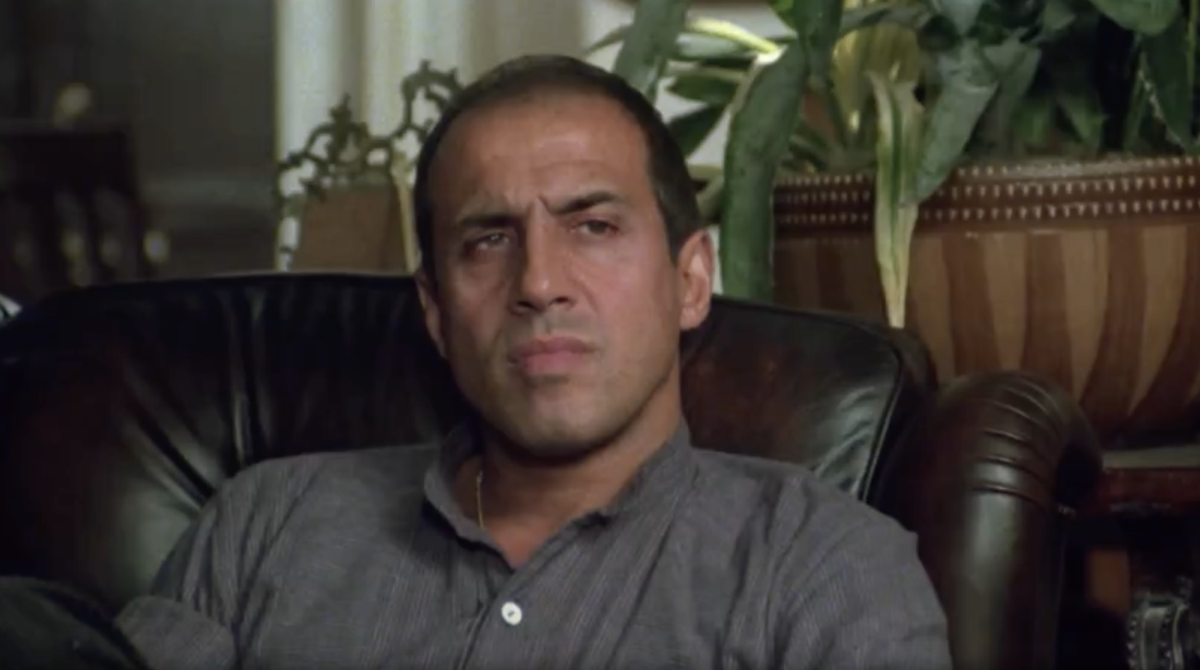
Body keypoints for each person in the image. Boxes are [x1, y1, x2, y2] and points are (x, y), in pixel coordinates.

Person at [107, 54, 952, 669]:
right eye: (488, 239)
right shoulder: (266, 525)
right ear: (435, 310)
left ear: (691, 280)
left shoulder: (822, 567)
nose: (540, 283)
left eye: (594, 226)